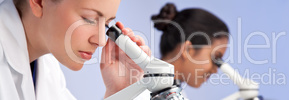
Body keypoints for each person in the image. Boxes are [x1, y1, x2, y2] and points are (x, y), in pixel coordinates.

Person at [0, 0, 150, 99]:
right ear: (39, 2)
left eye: (106, 25)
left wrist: (119, 91)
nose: (101, 41)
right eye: (89, 19)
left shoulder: (48, 71)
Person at [151, 3, 230, 98]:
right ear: (187, 50)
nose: (215, 71)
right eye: (216, 58)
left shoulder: (176, 94)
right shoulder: (136, 85)